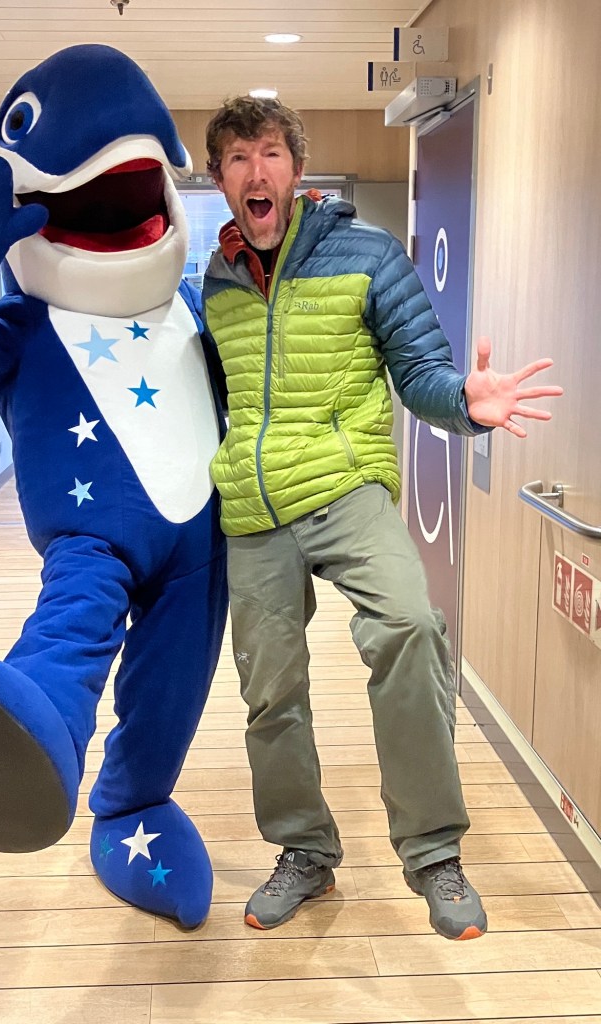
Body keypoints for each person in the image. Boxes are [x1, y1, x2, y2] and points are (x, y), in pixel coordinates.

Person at [201, 96, 562, 939]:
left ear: (296, 169)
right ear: (219, 179)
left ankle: (433, 853)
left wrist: (466, 402)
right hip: (253, 508)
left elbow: (422, 371)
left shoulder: (368, 255)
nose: (256, 171)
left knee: (410, 625)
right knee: (269, 689)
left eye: (269, 153)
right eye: (238, 159)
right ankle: (304, 852)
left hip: (345, 484)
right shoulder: (213, 283)